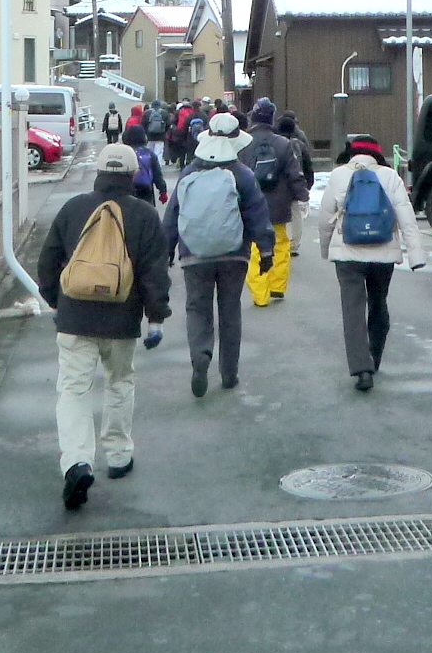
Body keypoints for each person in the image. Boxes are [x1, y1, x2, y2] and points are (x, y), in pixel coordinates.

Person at [35, 142, 173, 511]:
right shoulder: (143, 215)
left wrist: (57, 302)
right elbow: (154, 273)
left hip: (75, 317)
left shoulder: (73, 209)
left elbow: (47, 264)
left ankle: (77, 462)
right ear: (131, 176)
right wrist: (155, 318)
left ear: (98, 173)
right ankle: (117, 455)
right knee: (119, 381)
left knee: (74, 390)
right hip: (121, 320)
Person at [163, 111, 274, 396]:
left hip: (194, 253)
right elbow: (257, 215)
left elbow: (173, 214)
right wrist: (266, 250)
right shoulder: (243, 175)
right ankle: (229, 372)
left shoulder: (190, 172)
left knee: (197, 308)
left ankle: (200, 355)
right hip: (234, 254)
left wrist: (166, 250)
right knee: (230, 310)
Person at [315, 133, 425, 391]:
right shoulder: (390, 177)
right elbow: (407, 218)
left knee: (352, 310)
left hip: (347, 253)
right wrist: (416, 255)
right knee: (378, 302)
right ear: (377, 154)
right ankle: (374, 358)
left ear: (353, 153)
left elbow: (324, 219)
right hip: (382, 252)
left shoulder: (339, 175)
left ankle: (361, 369)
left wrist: (325, 249)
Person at [243, 99, 309, 306]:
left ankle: (260, 294)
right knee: (280, 244)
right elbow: (294, 173)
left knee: (254, 248)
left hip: (251, 203)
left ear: (253, 117)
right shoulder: (284, 143)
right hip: (278, 204)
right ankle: (277, 286)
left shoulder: (243, 142)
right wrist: (302, 195)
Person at [276, 111, 315, 256]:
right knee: (295, 214)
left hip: (278, 185)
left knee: (278, 214)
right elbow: (308, 166)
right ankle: (294, 244)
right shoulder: (299, 144)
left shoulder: (274, 144)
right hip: (295, 183)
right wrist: (307, 185)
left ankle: (280, 240)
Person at [121, 122, 168, 208]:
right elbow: (157, 175)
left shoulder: (124, 153)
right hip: (146, 191)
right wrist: (163, 191)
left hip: (128, 191)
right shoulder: (149, 154)